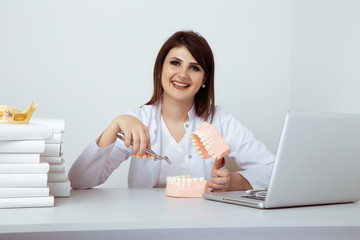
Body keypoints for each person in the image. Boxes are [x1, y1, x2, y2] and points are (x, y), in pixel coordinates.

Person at [68, 31, 274, 191]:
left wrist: (232, 182)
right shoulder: (138, 121)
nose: (182, 74)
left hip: (203, 225)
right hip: (144, 226)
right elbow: (79, 181)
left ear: (204, 79)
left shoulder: (220, 120)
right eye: (175, 63)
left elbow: (274, 170)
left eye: (194, 67)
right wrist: (114, 126)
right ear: (160, 70)